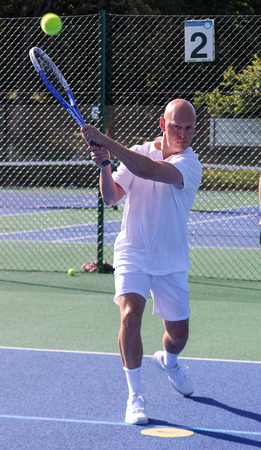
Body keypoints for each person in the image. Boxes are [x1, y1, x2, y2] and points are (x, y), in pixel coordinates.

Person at [81, 99, 202, 425]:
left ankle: (171, 362)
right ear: (163, 125)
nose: (183, 133)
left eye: (189, 127)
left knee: (178, 336)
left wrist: (104, 141)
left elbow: (148, 170)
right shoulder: (139, 151)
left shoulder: (190, 163)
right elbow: (111, 197)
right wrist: (105, 165)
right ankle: (135, 396)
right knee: (130, 317)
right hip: (132, 254)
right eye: (176, 126)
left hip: (172, 261)